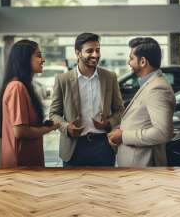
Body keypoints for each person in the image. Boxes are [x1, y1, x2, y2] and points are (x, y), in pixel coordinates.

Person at [49, 33, 124, 167]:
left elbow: (120, 110)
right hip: (74, 147)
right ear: (78, 53)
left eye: (98, 50)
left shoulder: (110, 77)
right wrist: (67, 128)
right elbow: (54, 114)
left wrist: (108, 123)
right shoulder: (63, 80)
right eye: (89, 51)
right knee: (74, 187)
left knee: (106, 186)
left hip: (104, 146)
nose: (95, 55)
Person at [108, 37, 175, 167]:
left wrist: (123, 136)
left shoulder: (157, 88)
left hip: (143, 165)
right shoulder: (150, 84)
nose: (128, 62)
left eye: (131, 58)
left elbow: (163, 132)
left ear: (143, 61)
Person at [0, 40, 60, 168]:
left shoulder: (24, 86)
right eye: (38, 55)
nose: (43, 60)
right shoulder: (17, 87)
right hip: (20, 162)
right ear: (25, 59)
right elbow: (21, 131)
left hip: (28, 160)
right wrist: (50, 128)